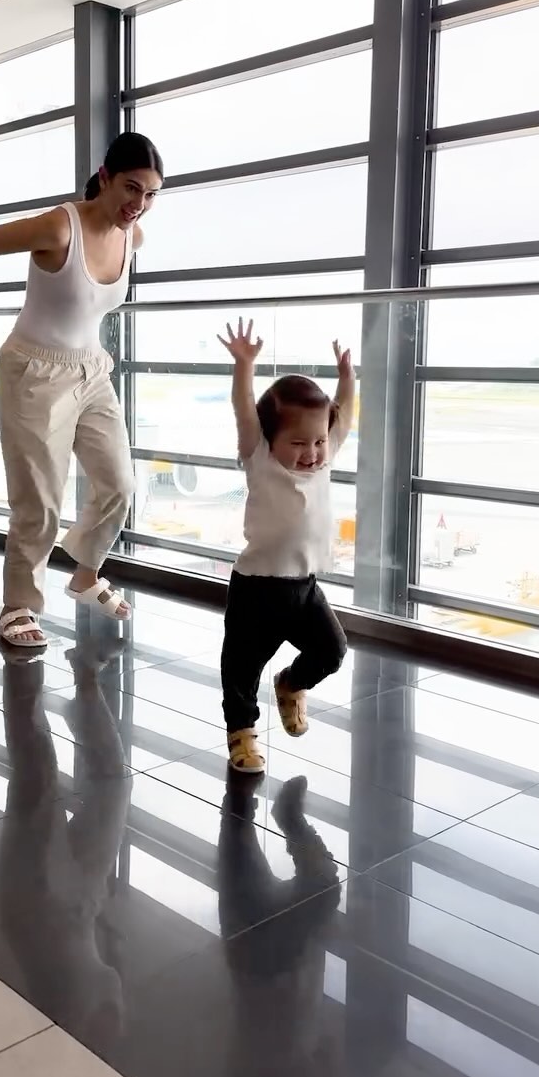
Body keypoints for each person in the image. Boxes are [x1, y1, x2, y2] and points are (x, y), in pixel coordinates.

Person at [0, 131, 164, 648]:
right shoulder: (60, 226)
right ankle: (18, 606)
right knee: (39, 501)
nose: (138, 204)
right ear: (105, 178)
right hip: (33, 372)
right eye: (131, 188)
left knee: (120, 485)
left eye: (150, 194)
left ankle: (86, 574)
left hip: (92, 371)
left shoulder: (133, 237)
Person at [218, 318, 355, 773]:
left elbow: (344, 415)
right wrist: (244, 365)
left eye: (318, 441)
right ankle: (242, 734)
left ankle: (292, 684)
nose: (312, 452)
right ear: (269, 439)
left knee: (332, 651)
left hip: (304, 587)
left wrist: (347, 378)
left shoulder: (325, 459)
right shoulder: (259, 458)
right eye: (298, 443)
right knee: (241, 670)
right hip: (256, 588)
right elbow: (243, 410)